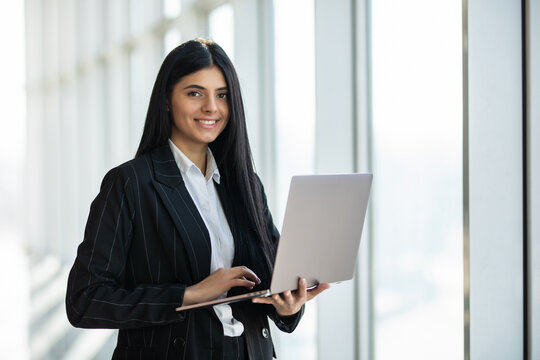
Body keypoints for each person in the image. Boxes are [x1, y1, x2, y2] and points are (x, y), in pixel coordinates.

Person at [65, 38, 329, 360]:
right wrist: (189, 295)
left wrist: (288, 305)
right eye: (195, 93)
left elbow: (272, 278)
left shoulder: (245, 185)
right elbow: (85, 301)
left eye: (222, 95)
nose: (211, 107)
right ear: (166, 100)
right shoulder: (131, 183)